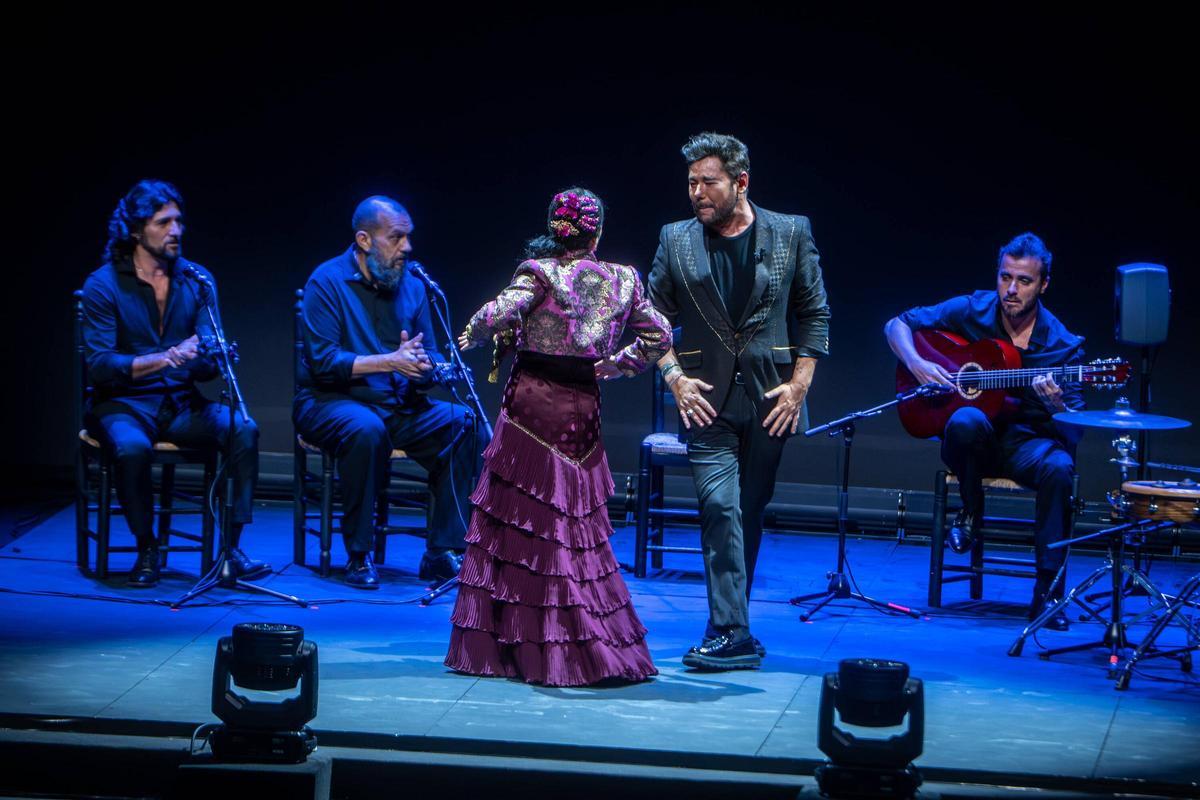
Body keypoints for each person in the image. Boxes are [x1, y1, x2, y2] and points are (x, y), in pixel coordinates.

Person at [444, 188, 670, 686]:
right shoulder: (624, 279)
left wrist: (478, 332)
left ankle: (527, 646)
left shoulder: (539, 271)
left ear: (554, 227)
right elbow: (660, 334)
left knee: (526, 522)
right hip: (583, 412)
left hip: (532, 409)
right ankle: (590, 639)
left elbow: (500, 311)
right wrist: (618, 363)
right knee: (575, 523)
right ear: (598, 232)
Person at [648, 133, 831, 670]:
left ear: (740, 182)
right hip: (704, 401)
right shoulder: (675, 239)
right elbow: (652, 322)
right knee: (719, 507)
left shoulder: (790, 232)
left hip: (771, 399)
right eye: (690, 183)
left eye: (708, 182)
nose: (696, 193)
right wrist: (675, 378)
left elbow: (815, 314)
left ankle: (729, 626)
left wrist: (799, 387)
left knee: (746, 512)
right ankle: (732, 632)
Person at [884, 231, 1084, 629]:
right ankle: (970, 512)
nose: (1011, 289)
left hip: (1029, 444)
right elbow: (896, 324)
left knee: (1060, 468)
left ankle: (1047, 592)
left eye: (1024, 281)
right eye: (1005, 277)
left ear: (1043, 285)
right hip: (977, 445)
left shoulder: (1063, 346)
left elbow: (1076, 433)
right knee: (964, 420)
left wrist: (1056, 404)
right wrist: (919, 365)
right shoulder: (973, 309)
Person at [81, 179, 268, 588]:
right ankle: (147, 547)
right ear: (135, 230)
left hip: (179, 404)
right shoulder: (104, 285)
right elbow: (100, 366)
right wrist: (169, 357)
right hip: (122, 404)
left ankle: (230, 549)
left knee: (243, 428)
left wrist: (212, 358)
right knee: (131, 448)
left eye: (179, 221)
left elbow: (202, 365)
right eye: (163, 222)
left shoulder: (198, 281)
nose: (176, 231)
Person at [295, 195, 487, 588]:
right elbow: (324, 363)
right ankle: (358, 556)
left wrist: (425, 367)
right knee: (366, 431)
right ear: (364, 240)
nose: (407, 247)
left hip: (398, 404)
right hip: (332, 401)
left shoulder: (414, 286)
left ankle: (440, 551)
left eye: (408, 237)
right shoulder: (326, 281)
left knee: (466, 424)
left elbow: (428, 351)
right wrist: (390, 361)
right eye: (397, 238)